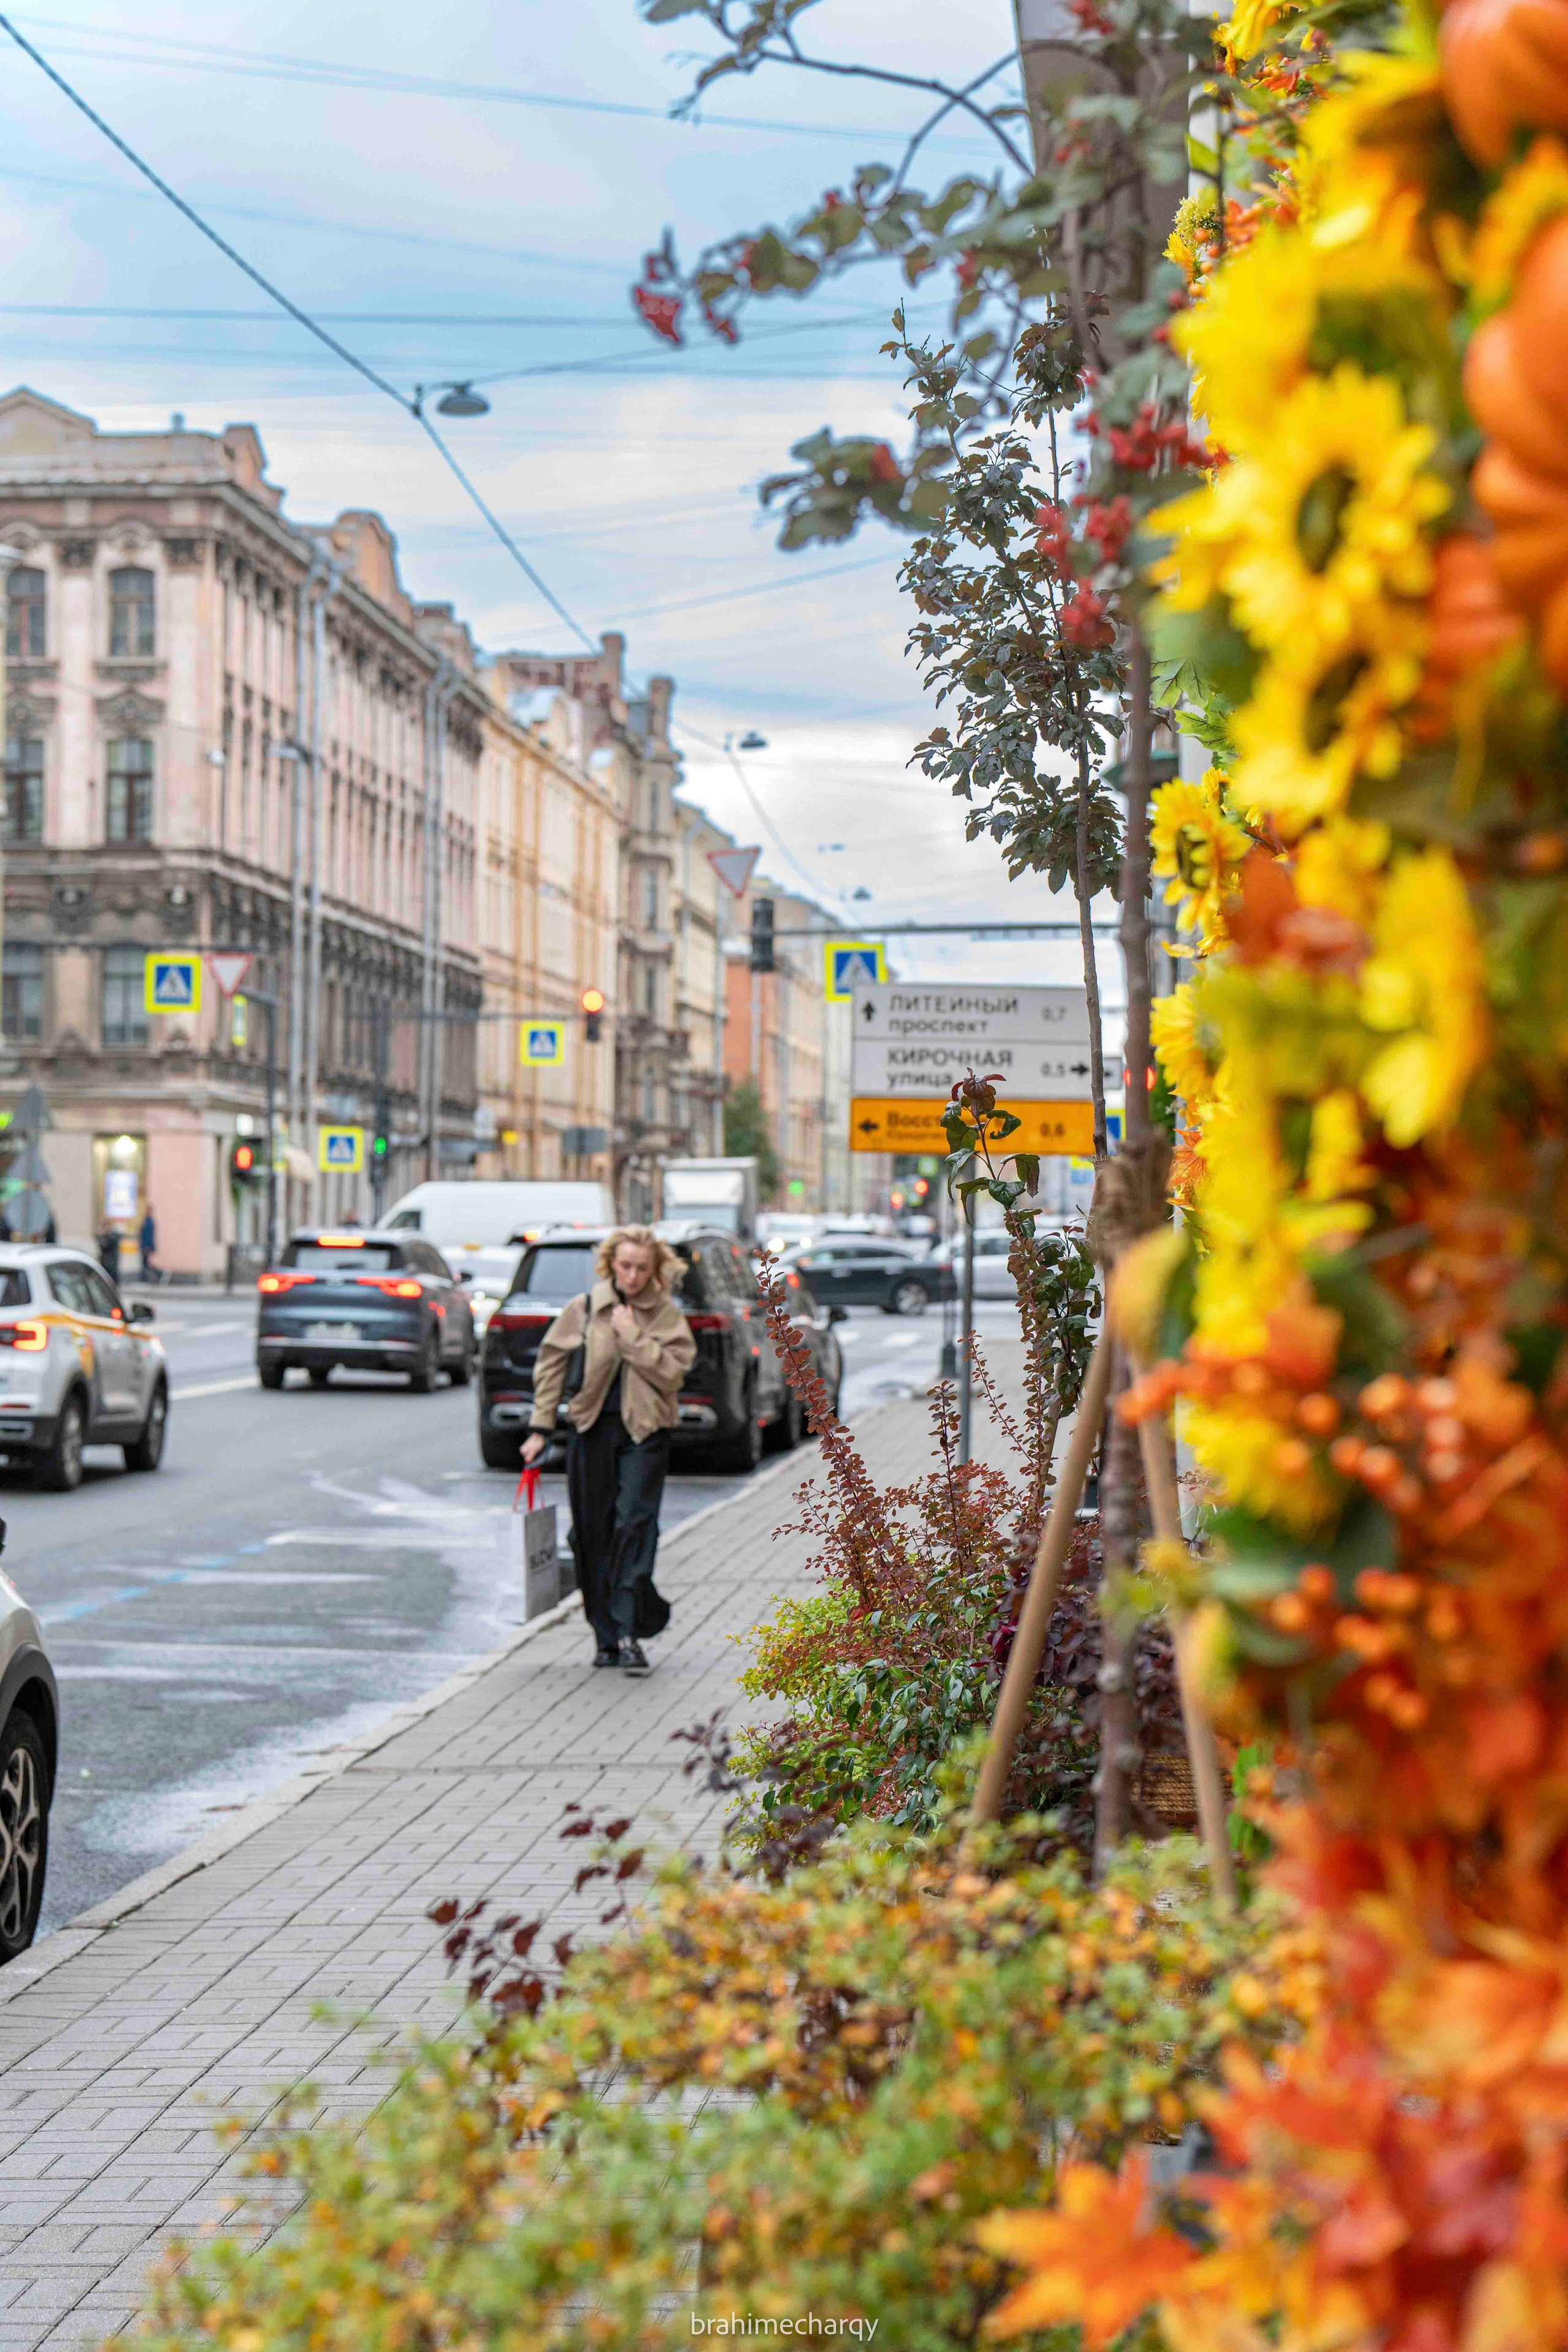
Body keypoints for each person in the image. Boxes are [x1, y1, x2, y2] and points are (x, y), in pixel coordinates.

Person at [522, 1226, 695, 1675]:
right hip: (590, 1430)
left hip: (646, 1433)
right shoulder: (584, 1309)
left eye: (642, 1268)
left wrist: (631, 1336)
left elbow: (674, 1374)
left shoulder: (664, 1315)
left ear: (655, 1270)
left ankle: (631, 1633)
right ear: (610, 1265)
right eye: (625, 1266)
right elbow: (551, 1367)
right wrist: (540, 1428)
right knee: (591, 1533)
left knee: (634, 1527)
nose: (633, 1276)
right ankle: (604, 1636)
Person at [138, 1205, 159, 1284]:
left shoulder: (149, 1221)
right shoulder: (146, 1220)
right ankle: (148, 1278)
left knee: (146, 1264)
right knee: (145, 1263)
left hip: (146, 1246)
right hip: (145, 1245)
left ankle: (157, 1275)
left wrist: (148, 1247)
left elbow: (148, 1235)